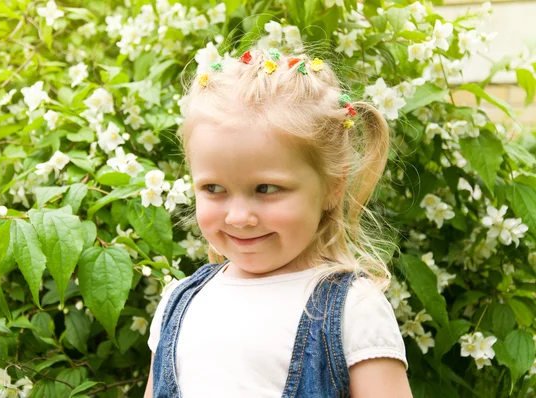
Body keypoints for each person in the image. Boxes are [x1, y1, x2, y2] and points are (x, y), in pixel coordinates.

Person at [144, 45, 412, 397]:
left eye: (266, 188)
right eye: (213, 188)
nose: (239, 217)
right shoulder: (177, 303)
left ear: (333, 186)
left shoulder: (352, 311)